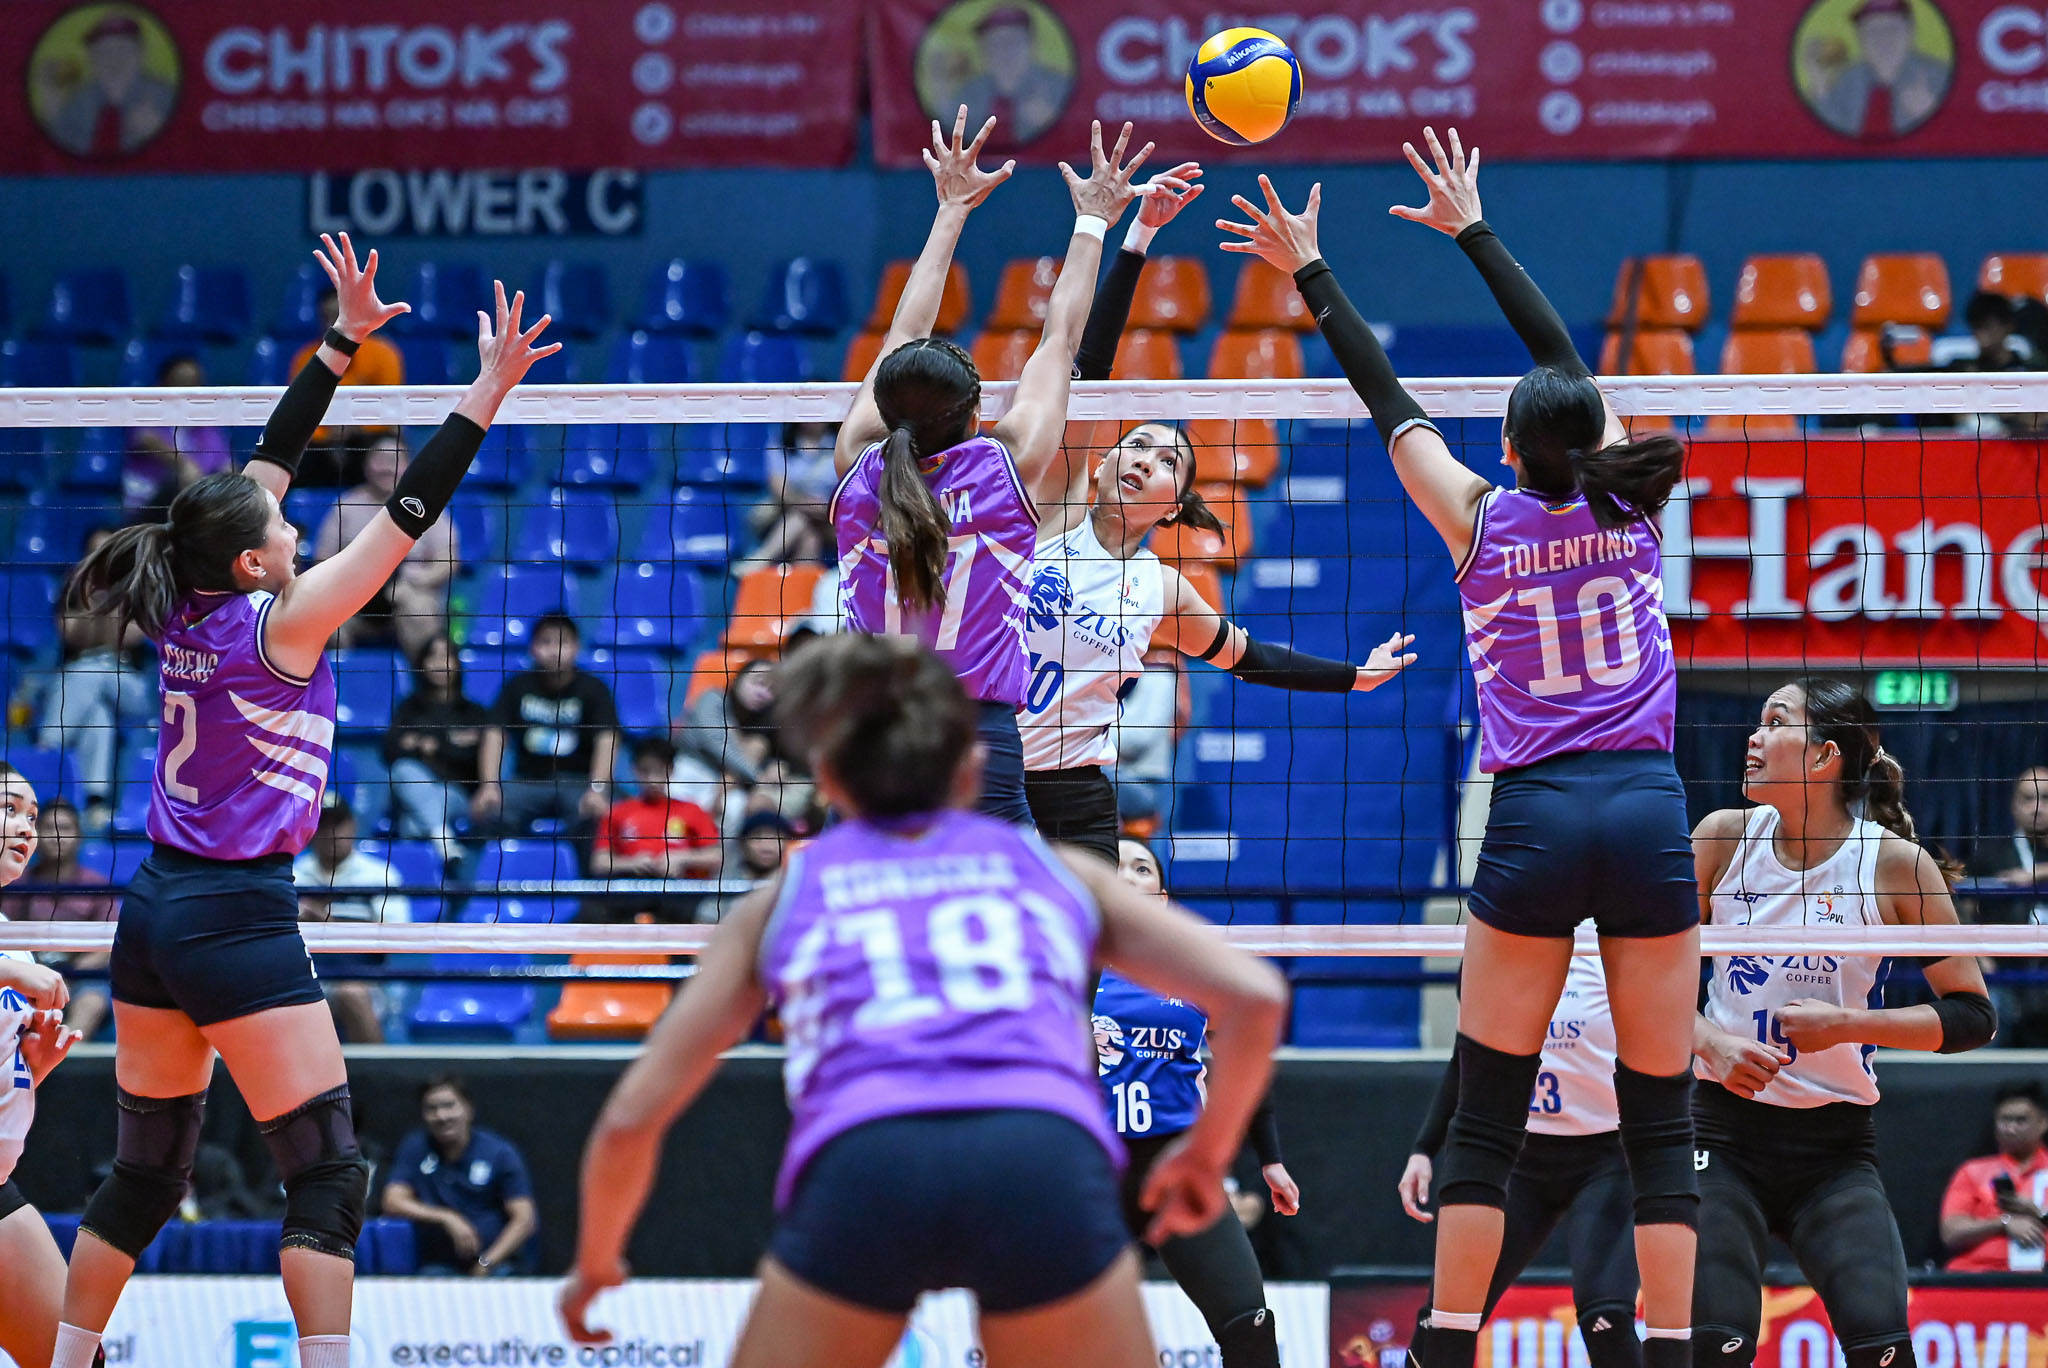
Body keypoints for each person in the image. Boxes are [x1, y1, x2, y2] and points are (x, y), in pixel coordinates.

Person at [1219, 128, 1702, 1368]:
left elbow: (1384, 394)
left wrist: (1310, 270)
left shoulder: (1475, 516)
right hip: (1644, 808)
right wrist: (1475, 231)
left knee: (1484, 1118)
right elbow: (1559, 365)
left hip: (1530, 815)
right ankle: (1672, 1348)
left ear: (1504, 448)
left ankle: (1441, 1347)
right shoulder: (1631, 501)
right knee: (1660, 1123)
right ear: (1586, 438)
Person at [49, 233, 557, 1368]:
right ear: (255, 563)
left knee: (146, 1174)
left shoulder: (186, 593)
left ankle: (68, 1360)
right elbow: (405, 516)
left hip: (153, 909)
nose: (290, 524)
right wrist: (486, 391)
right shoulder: (288, 622)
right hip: (237, 915)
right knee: (325, 1170)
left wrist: (340, 342)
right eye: (279, 529)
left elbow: (268, 462)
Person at [557, 633, 1287, 1366]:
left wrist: (594, 1264)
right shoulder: (1058, 872)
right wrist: (1205, 1158)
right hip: (1036, 1159)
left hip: (869, 1159)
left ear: (829, 780)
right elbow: (1256, 998)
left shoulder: (783, 899)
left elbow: (631, 1118)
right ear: (971, 771)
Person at [1022, 164, 1414, 862]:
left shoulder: (1162, 589)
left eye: (1169, 461)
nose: (1147, 459)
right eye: (1137, 445)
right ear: (1102, 464)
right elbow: (1088, 371)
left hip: (1075, 792)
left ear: (1173, 506)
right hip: (986, 772)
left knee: (1084, 934)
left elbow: (1250, 658)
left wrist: (1356, 676)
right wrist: (1137, 238)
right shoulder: (1053, 514)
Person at [831, 110, 1150, 825]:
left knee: (858, 885)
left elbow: (903, 334)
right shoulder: (1006, 470)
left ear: (884, 406)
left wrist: (950, 210)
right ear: (975, 412)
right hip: (976, 737)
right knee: (1012, 890)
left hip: (870, 732)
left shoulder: (857, 468)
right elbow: (1061, 337)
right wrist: (1092, 220)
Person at [1689, 678, 1996, 1367]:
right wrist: (1710, 1042)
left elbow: (1973, 1016)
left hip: (1833, 1150)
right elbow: (1642, 986)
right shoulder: (1721, 839)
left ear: (1825, 756)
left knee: (1882, 1346)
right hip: (1720, 1135)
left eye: (1776, 722)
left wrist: (1848, 1024)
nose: (1754, 737)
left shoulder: (1895, 864)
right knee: (1714, 1344)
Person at [1093, 838, 1300, 1368]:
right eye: (1115, 864)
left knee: (1249, 1324)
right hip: (1087, 1166)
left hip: (1173, 1164)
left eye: (1142, 868)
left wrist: (1271, 1160)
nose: (1129, 874)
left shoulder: (1191, 968)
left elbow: (1243, 1058)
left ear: (1162, 897)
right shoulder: (1065, 964)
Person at [1401, 953, 1641, 1368]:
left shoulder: (1615, 946)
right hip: (1518, 1159)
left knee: (1607, 1321)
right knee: (1443, 1322)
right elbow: (1467, 1058)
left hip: (1608, 1159)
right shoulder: (1498, 944)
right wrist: (1424, 1148)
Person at [0, 765, 86, 1368]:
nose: (27, 827)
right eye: (9, 809)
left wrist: (33, 1067)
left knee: (71, 1359)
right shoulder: (13, 956)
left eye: (33, 816)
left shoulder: (14, 934)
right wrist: (8, 969)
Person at [470, 613, 620, 848]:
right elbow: (494, 734)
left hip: (578, 782)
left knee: (597, 817)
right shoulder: (517, 686)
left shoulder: (594, 688)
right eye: (546, 642)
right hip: (528, 782)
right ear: (533, 648)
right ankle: (507, 868)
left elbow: (607, 739)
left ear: (577, 647)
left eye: (562, 642)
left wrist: (597, 789)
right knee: (490, 810)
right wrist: (489, 786)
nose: (554, 651)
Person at [311, 432, 460, 658]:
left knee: (419, 610)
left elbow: (448, 560)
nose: (387, 468)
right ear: (366, 464)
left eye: (395, 459)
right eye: (380, 459)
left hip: (410, 593)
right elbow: (322, 560)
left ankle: (424, 677)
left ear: (408, 464)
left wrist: (417, 580)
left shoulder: (426, 504)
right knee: (323, 623)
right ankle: (339, 679)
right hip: (353, 599)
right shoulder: (346, 506)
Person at [36, 560, 157, 824]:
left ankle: (47, 749)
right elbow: (68, 631)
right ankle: (95, 801)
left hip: (133, 687)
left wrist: (95, 614)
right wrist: (105, 613)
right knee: (98, 717)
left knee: (89, 670)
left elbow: (132, 635)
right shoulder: (76, 585)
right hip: (87, 686)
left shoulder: (137, 584)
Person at [380, 1074, 538, 1277]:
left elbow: (524, 1219)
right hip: (439, 1265)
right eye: (432, 1109)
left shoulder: (499, 1153)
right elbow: (393, 1201)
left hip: (497, 1264)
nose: (441, 1116)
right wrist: (447, 1217)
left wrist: (486, 1263)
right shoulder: (416, 1148)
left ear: (468, 1109)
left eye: (449, 1106)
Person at [292, 800, 410, 1045]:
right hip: (303, 976)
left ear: (352, 826)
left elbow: (397, 933)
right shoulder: (293, 874)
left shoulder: (378, 873)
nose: (330, 832)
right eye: (323, 824)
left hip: (365, 978)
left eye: (338, 824)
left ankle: (376, 1070)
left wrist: (329, 922)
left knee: (351, 993)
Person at [0, 798, 119, 1041]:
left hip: (81, 978)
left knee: (92, 1001)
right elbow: (6, 936)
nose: (56, 836)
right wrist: (32, 974)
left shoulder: (97, 886)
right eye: (48, 828)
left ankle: (64, 1054)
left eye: (64, 828)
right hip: (28, 973)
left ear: (79, 835)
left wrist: (70, 974)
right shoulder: (16, 884)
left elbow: (108, 946)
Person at [384, 633, 490, 867]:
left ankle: (422, 871)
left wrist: (429, 745)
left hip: (457, 793)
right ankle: (443, 840)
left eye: (446, 656)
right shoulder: (409, 708)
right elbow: (389, 751)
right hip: (413, 785)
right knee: (403, 769)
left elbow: (470, 760)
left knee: (412, 822)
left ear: (457, 663)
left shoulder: (474, 713)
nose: (440, 663)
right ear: (422, 664)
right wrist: (449, 744)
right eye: (433, 657)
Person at [589, 737, 720, 923]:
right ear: (634, 770)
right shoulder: (617, 812)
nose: (652, 780)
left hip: (677, 892)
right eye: (645, 771)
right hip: (631, 891)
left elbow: (715, 857)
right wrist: (632, 863)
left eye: (659, 771)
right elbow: (599, 863)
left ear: (671, 770)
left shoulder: (692, 811)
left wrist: (681, 859)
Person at [291, 287, 405, 482]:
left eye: (339, 316)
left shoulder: (384, 353)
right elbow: (300, 412)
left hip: (369, 437)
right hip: (323, 442)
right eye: (327, 317)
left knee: (387, 449)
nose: (333, 324)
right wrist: (328, 435)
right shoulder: (305, 358)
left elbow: (389, 412)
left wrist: (356, 426)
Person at [1800, 0, 1951, 140]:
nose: (1883, 40)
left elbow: (1955, 139)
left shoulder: (1939, 76)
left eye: (1891, 29)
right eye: (1872, 31)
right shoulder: (1849, 78)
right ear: (1860, 38)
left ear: (1910, 32)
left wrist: (1931, 111)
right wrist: (1820, 85)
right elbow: (1829, 137)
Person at [1939, 1081, 2048, 1272]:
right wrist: (2004, 1223)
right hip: (1979, 1275)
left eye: (2020, 1120)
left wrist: (2038, 1213)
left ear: (2042, 1123)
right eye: (2004, 1120)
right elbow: (1951, 1233)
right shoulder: (1972, 1171)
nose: (2011, 1128)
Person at [44, 13, 175, 158]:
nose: (113, 59)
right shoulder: (79, 102)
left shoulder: (165, 97)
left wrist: (161, 134)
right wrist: (52, 111)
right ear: (92, 58)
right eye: (103, 51)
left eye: (122, 49)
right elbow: (55, 154)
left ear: (140, 53)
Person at [949, 6, 1073, 147]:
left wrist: (1054, 125)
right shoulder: (968, 93)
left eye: (1013, 42)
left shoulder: (1059, 87)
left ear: (1031, 45)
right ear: (983, 50)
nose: (1005, 52)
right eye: (995, 44)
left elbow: (1077, 140)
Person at [126, 355, 232, 515]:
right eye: (181, 383)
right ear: (163, 384)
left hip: (197, 501)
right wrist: (183, 463)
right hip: (148, 504)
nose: (187, 390)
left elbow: (224, 464)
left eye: (194, 384)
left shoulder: (205, 425)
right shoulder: (147, 412)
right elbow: (144, 438)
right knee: (182, 483)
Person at [736, 422, 840, 576]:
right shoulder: (780, 441)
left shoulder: (842, 442)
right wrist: (805, 504)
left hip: (832, 520)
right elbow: (778, 486)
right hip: (786, 513)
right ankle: (801, 588)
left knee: (804, 521)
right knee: (809, 535)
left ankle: (761, 560)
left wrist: (828, 508)